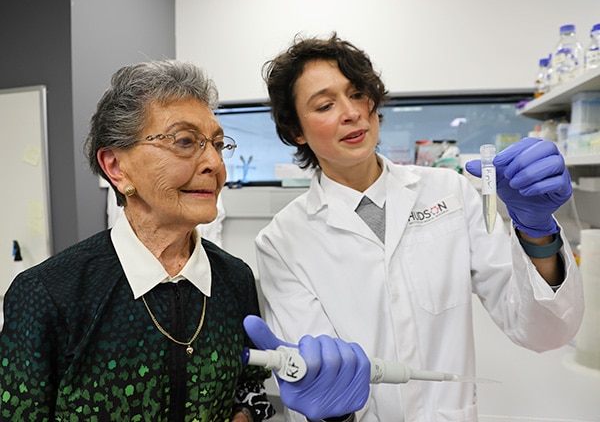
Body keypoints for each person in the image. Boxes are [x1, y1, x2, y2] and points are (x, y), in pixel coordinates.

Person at [0, 59, 371, 422]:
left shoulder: (233, 279)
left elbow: (251, 393)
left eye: (218, 143)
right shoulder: (48, 293)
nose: (213, 162)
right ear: (116, 166)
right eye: (184, 141)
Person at [254, 33, 585, 421]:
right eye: (326, 104)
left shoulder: (450, 190)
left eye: (358, 93)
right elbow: (316, 379)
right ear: (296, 131)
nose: (351, 112)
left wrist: (537, 232)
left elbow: (544, 332)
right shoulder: (282, 241)